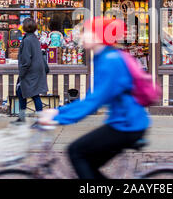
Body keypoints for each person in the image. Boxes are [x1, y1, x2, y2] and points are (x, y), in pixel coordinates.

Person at [38, 16, 151, 179]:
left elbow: (92, 102)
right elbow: (91, 98)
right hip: (125, 121)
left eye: (87, 32)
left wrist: (58, 115)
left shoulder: (109, 62)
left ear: (98, 36)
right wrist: (58, 112)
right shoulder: (105, 58)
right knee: (89, 163)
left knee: (76, 152)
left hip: (126, 125)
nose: (82, 36)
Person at [13, 18, 48, 124]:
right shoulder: (33, 38)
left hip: (29, 72)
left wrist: (22, 73)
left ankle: (36, 119)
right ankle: (23, 118)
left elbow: (26, 59)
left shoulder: (27, 40)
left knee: (33, 94)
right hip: (35, 71)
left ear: (24, 27)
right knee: (22, 92)